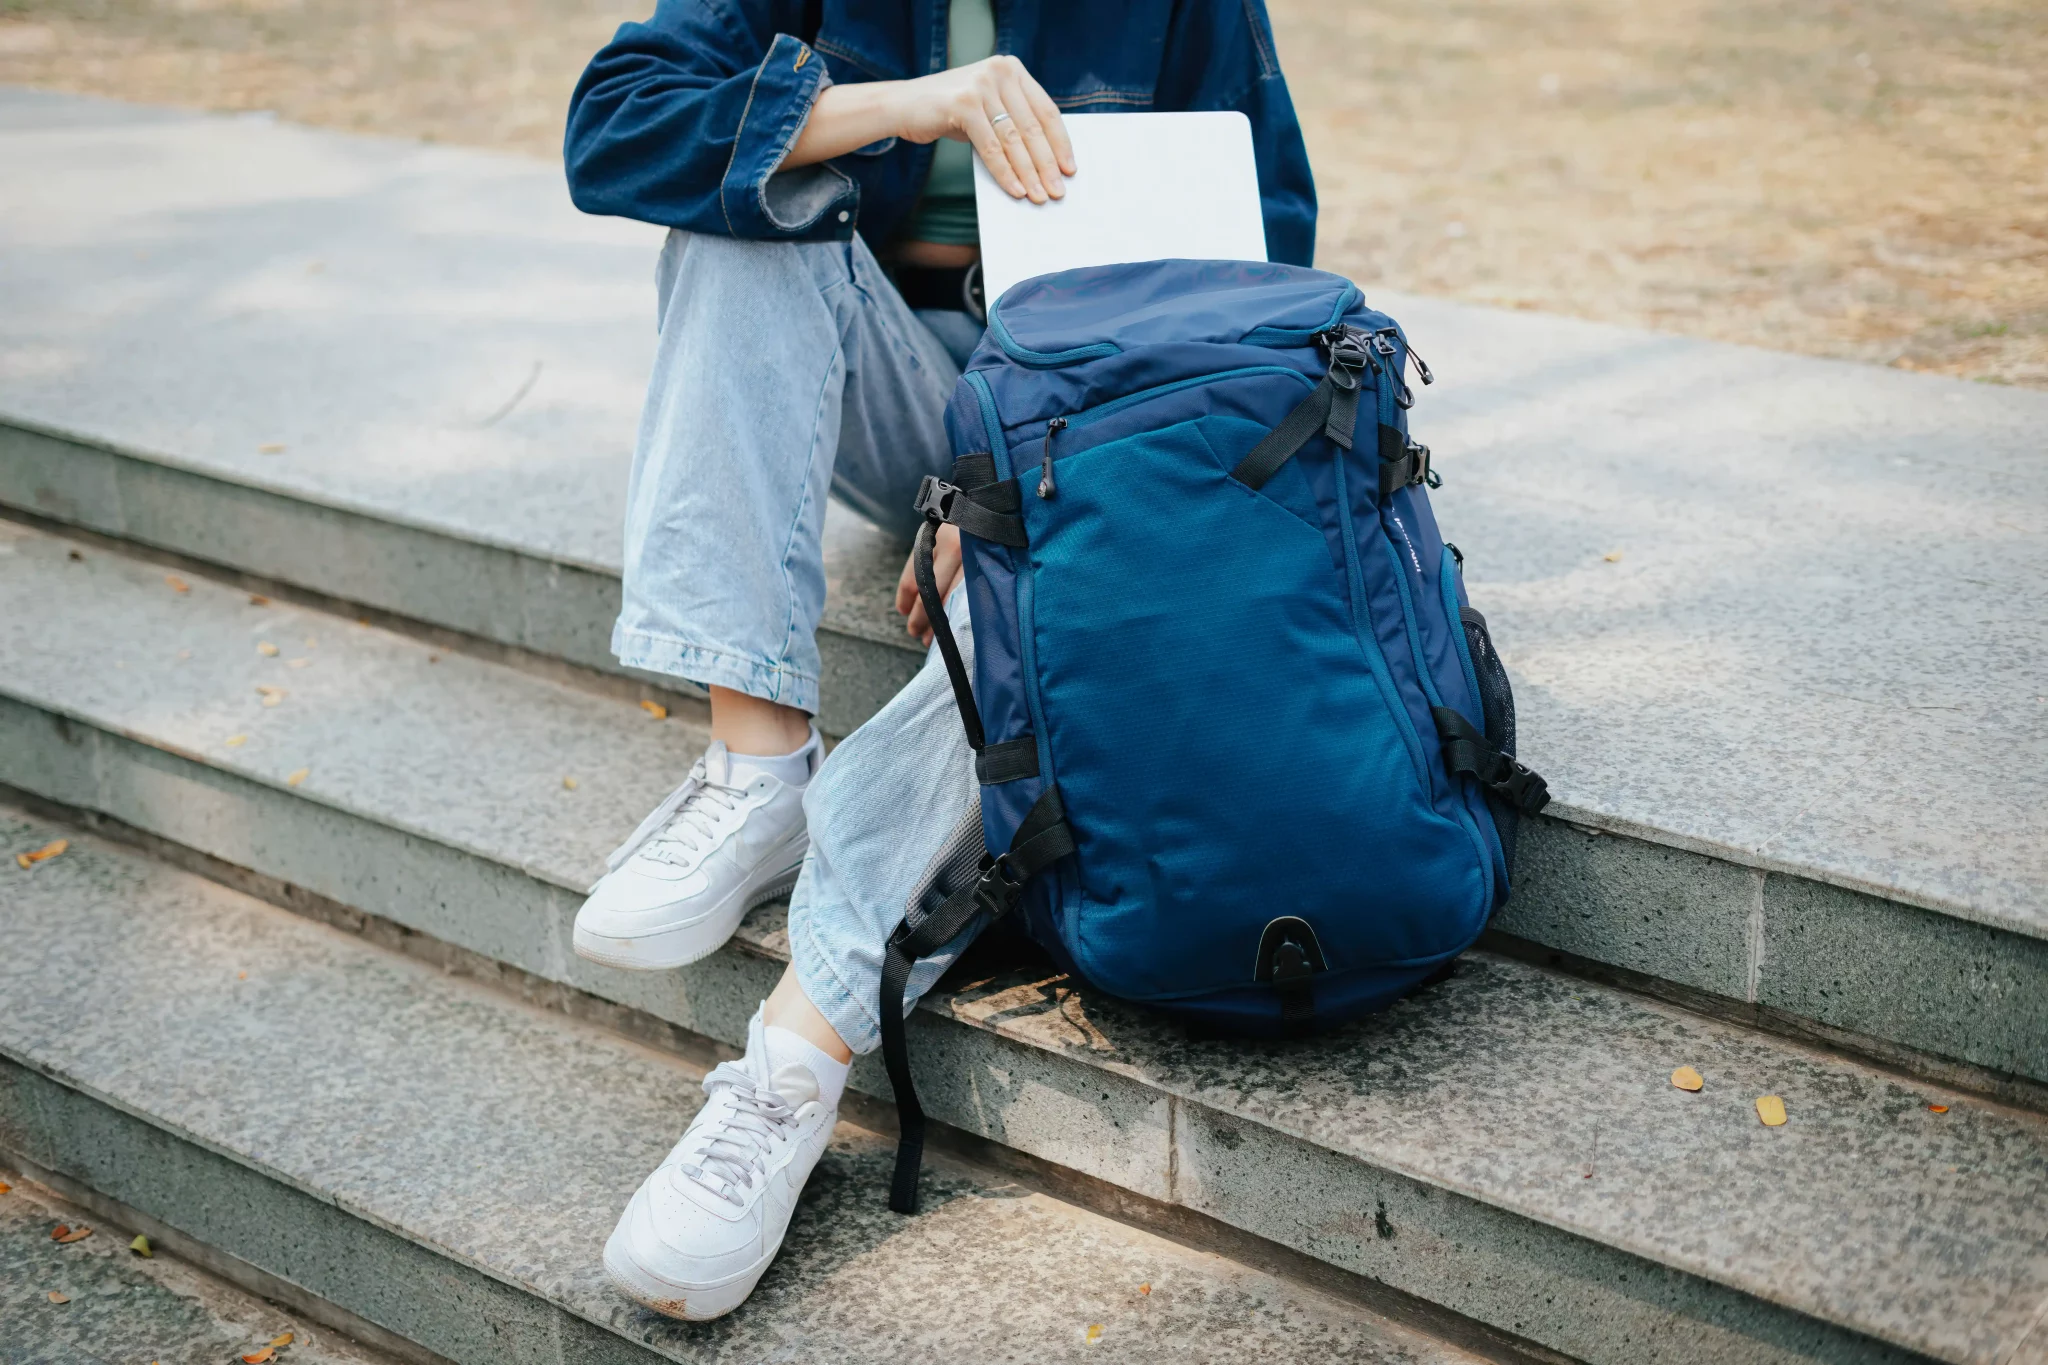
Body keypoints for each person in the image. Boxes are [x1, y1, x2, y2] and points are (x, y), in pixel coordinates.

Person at [561, 0, 1316, 1320]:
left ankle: (793, 1064)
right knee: (745, 226)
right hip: (878, 378)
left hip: (1094, 425)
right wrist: (911, 102)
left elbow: (1259, 254)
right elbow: (613, 129)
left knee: (1057, 599)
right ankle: (755, 770)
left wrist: (1015, 470)